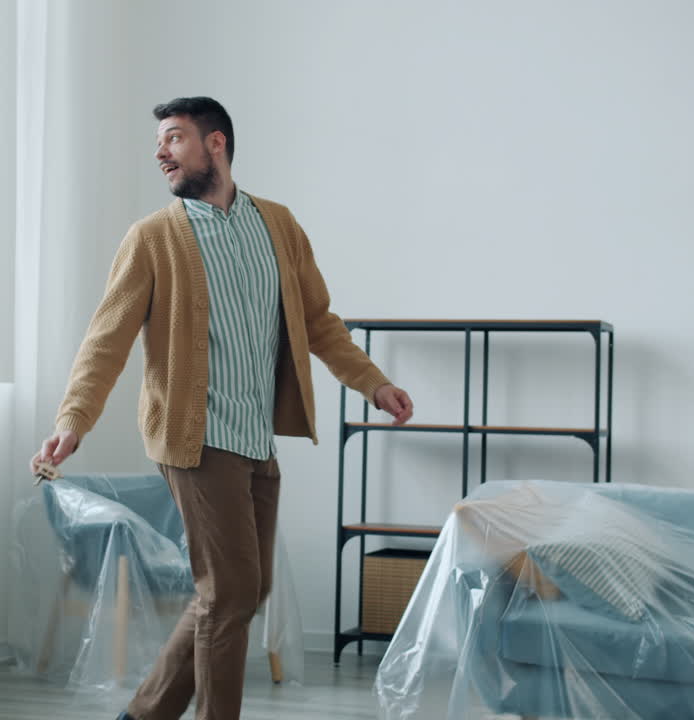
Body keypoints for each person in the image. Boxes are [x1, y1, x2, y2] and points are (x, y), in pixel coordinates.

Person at [30, 96, 413, 720]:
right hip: (195, 438)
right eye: (160, 141)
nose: (161, 152)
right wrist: (73, 419)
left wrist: (372, 383)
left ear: (216, 144)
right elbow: (107, 339)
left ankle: (144, 712)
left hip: (256, 438)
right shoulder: (153, 239)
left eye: (174, 138)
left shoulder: (279, 226)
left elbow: (319, 321)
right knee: (229, 589)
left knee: (244, 589)